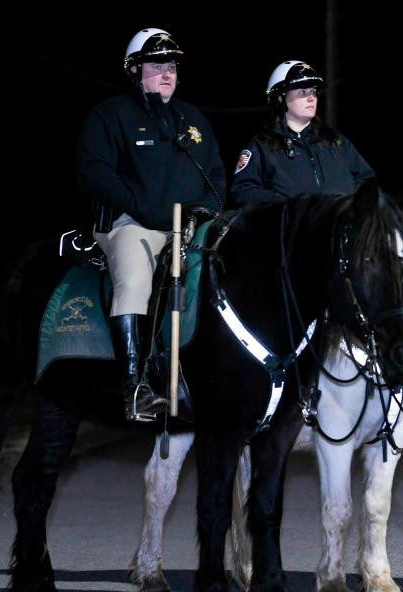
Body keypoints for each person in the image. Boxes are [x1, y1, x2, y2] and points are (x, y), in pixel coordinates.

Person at [76, 27, 226, 422]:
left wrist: (205, 211)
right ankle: (135, 387)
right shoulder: (110, 115)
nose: (167, 73)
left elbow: (216, 174)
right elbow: (92, 171)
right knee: (137, 280)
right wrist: (141, 208)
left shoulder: (192, 119)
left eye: (172, 66)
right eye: (157, 65)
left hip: (189, 229)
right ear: (134, 70)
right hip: (131, 225)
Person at [230, 61, 374, 206]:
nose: (311, 98)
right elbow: (243, 190)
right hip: (290, 227)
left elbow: (367, 182)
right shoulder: (262, 146)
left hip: (339, 225)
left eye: (313, 92)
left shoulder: (337, 142)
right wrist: (289, 207)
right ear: (281, 98)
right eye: (302, 92)